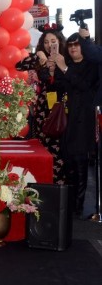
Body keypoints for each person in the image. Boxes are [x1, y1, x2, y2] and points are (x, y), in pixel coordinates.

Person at [54, 33, 100, 218]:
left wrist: (64, 69)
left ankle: (78, 207)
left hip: (84, 121)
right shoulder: (66, 65)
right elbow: (56, 88)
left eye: (77, 44)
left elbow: (85, 87)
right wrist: (51, 71)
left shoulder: (92, 66)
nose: (73, 48)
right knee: (68, 164)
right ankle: (70, 204)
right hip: (67, 121)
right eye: (71, 45)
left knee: (81, 165)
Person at [34, 24, 68, 184]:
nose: (49, 45)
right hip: (43, 106)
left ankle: (60, 185)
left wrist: (56, 67)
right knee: (44, 143)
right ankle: (44, 184)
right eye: (46, 42)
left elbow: (60, 84)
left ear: (59, 41)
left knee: (60, 147)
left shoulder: (66, 59)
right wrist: (42, 61)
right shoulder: (41, 60)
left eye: (53, 41)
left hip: (61, 107)